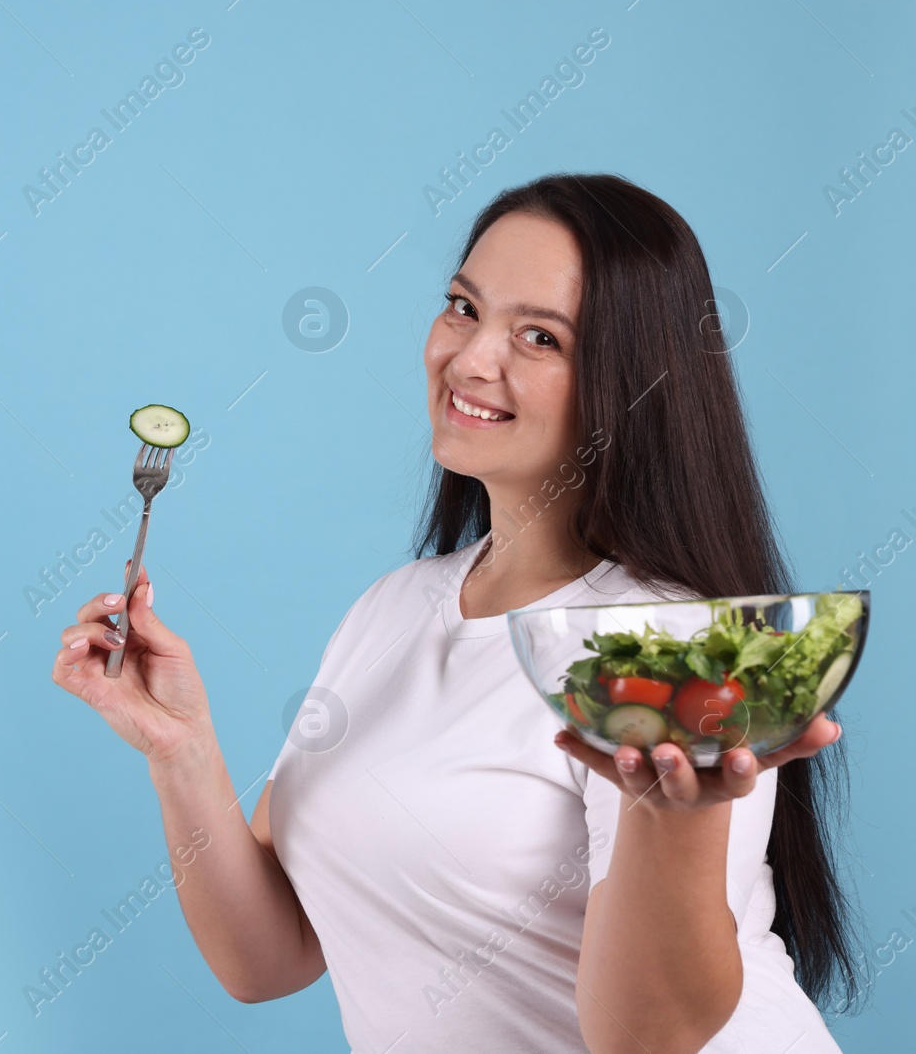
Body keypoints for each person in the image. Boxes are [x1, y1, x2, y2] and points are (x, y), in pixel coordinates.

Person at [49, 173, 864, 1053]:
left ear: (631, 384)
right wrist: (182, 747)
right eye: (462, 307)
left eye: (540, 336)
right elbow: (267, 957)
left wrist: (678, 820)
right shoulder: (393, 610)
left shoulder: (679, 653)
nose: (472, 358)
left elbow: (645, 1038)